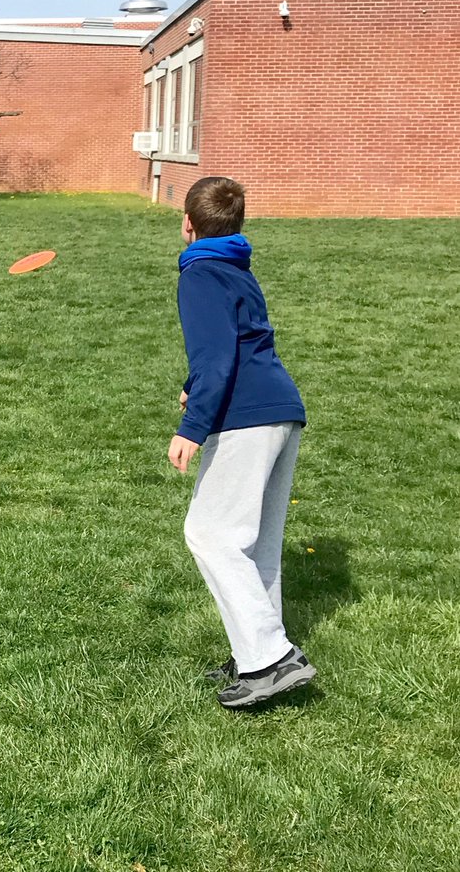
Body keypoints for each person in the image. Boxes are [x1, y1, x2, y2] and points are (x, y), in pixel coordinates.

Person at [168, 176, 314, 709]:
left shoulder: (200, 273)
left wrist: (191, 428)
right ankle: (253, 652)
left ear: (187, 223)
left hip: (249, 417)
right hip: (280, 411)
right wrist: (194, 389)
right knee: (255, 544)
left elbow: (219, 359)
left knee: (209, 534)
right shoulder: (236, 268)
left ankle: (272, 658)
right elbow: (238, 344)